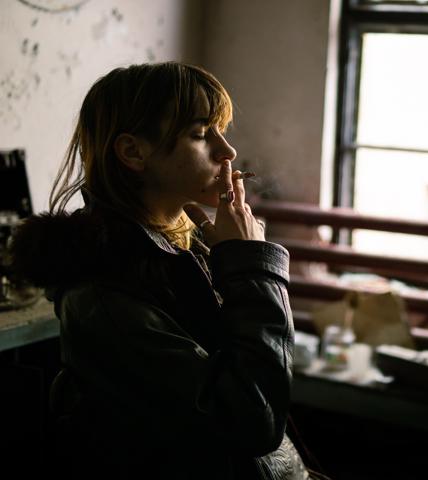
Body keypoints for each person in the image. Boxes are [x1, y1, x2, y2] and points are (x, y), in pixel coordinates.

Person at [8, 62, 316, 479]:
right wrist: (252, 264)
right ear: (134, 152)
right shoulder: (104, 300)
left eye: (221, 130)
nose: (227, 152)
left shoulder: (189, 245)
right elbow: (252, 420)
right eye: (201, 134)